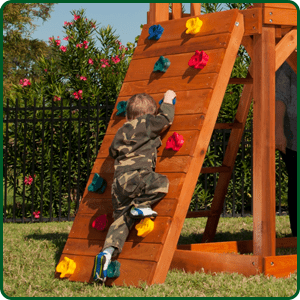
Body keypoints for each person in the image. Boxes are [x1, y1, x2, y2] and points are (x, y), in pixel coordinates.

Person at [93, 90, 176, 283]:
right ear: (149, 114)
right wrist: (169, 100)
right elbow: (165, 120)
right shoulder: (147, 123)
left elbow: (113, 151)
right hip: (137, 176)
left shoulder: (121, 130)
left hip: (118, 184)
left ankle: (106, 253)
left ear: (129, 114)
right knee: (161, 183)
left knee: (121, 221)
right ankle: (140, 205)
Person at [275, 60, 297, 237]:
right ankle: (297, 232)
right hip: (294, 138)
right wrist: (278, 131)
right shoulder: (288, 64)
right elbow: (279, 98)